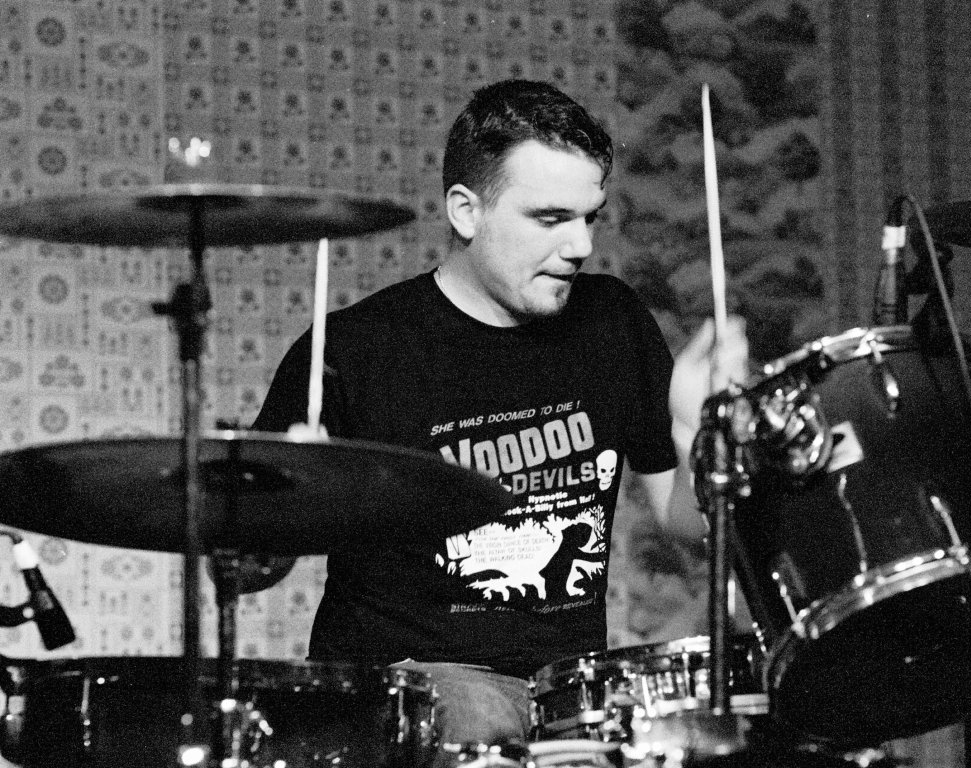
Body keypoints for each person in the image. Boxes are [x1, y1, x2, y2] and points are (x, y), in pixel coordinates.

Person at [252, 79, 746, 760]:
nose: (580, 245)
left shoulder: (613, 320)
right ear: (466, 211)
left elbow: (686, 524)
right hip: (408, 700)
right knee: (477, 713)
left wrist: (698, 432)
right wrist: (288, 506)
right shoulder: (350, 352)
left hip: (566, 697)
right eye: (549, 219)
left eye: (590, 218)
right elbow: (247, 566)